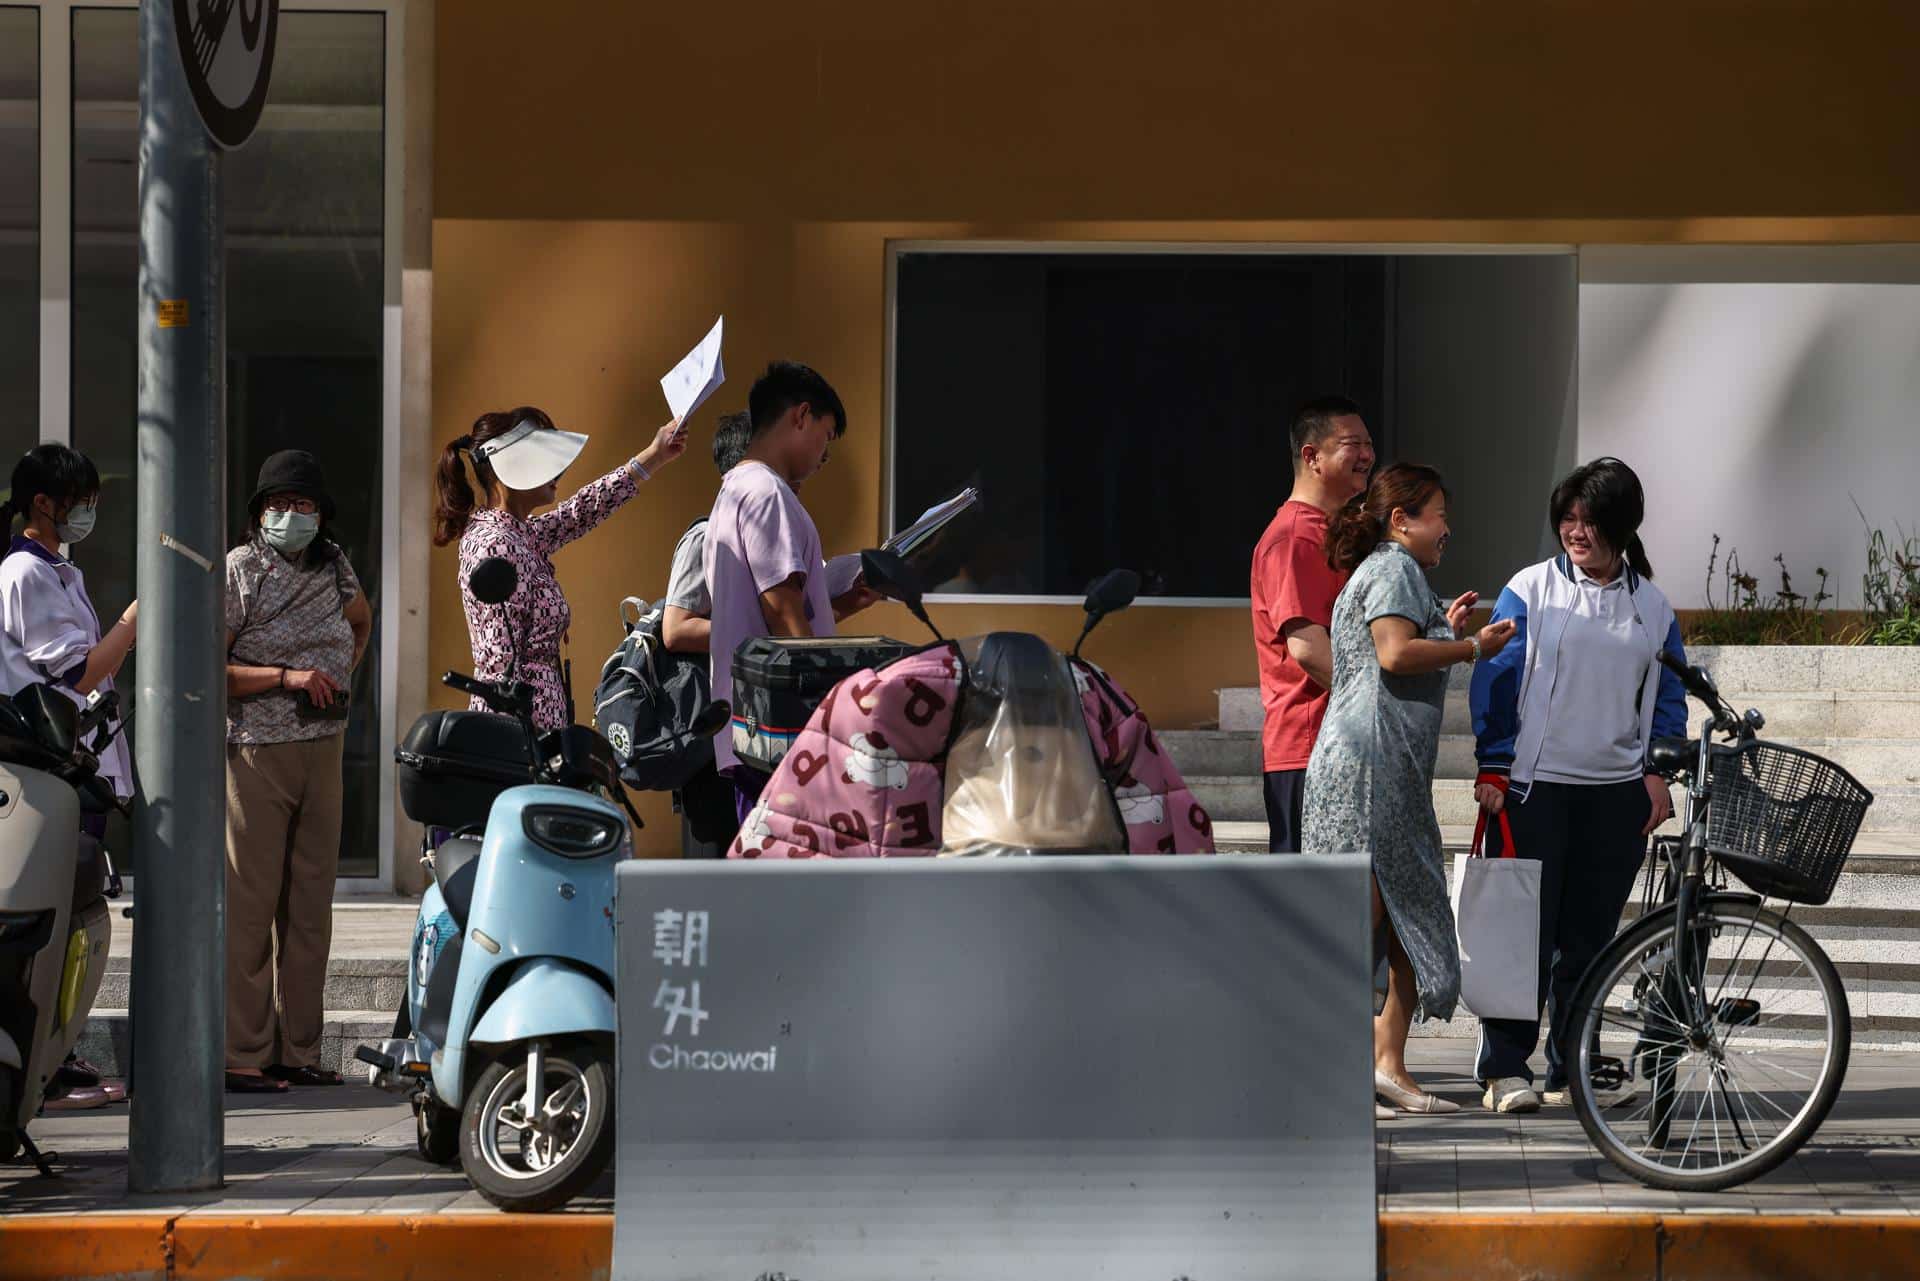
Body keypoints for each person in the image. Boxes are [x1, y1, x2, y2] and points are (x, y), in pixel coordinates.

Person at [1468, 457, 1686, 1115]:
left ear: (1620, 525)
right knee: (1522, 935)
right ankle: (1506, 1069)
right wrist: (1494, 763)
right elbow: (1498, 676)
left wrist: (1656, 772)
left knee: (1589, 939)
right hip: (1534, 790)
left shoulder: (1652, 605)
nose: (1576, 529)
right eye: (1567, 517)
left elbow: (1668, 693)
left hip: (1615, 796)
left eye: (1590, 519)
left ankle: (1572, 1068)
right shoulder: (1529, 589)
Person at [1302, 463, 1515, 1117]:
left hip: (1373, 764)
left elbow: (1393, 649)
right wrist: (1471, 646)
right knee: (1363, 919)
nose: (1448, 527)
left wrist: (1444, 632)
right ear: (1402, 519)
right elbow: (1394, 654)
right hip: (1370, 769)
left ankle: (1384, 1063)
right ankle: (1327, 1069)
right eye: (1439, 513)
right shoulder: (1393, 566)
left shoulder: (1390, 572)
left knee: (1402, 917)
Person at [222, 451, 373, 1093]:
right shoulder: (240, 569)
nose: (290, 515)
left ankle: (299, 1050)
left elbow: (360, 620)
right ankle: (242, 1053)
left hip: (325, 746)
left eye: (303, 504)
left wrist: (339, 676)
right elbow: (209, 664)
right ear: (259, 513)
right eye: (278, 505)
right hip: (257, 748)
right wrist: (287, 679)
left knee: (310, 906)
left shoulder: (335, 564)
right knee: (251, 905)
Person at [0, 444, 136, 1110]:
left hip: (78, 764)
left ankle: (56, 1053)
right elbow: (76, 675)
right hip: (54, 769)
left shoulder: (58, 569)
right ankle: (48, 1061)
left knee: (78, 916)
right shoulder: (25, 573)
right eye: (79, 498)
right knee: (60, 919)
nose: (89, 511)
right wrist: (135, 622)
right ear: (44, 504)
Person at [435, 406, 687, 731]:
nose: (557, 472)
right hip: (520, 733)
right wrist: (529, 746)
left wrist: (654, 456)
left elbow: (581, 511)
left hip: (540, 725)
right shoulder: (497, 544)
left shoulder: (518, 533)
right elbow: (501, 669)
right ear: (507, 466)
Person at [704, 362, 876, 819]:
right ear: (801, 416)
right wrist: (829, 718)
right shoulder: (767, 493)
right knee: (789, 876)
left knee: (768, 873)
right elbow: (783, 613)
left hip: (753, 725)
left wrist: (838, 603)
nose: (823, 454)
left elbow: (769, 611)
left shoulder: (735, 489)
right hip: (780, 731)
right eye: (826, 434)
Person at [1250, 396, 1376, 852]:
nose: (1367, 454)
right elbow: (1308, 649)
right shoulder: (1293, 538)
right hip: (1310, 748)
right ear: (1312, 456)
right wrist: (1375, 705)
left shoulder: (1334, 531)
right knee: (1312, 906)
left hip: (1340, 743)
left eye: (1369, 443)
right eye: (1352, 444)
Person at [659, 410, 754, 856]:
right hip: (710, 743)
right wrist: (752, 630)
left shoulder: (753, 535)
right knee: (712, 873)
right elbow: (675, 630)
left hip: (745, 732)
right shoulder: (705, 538)